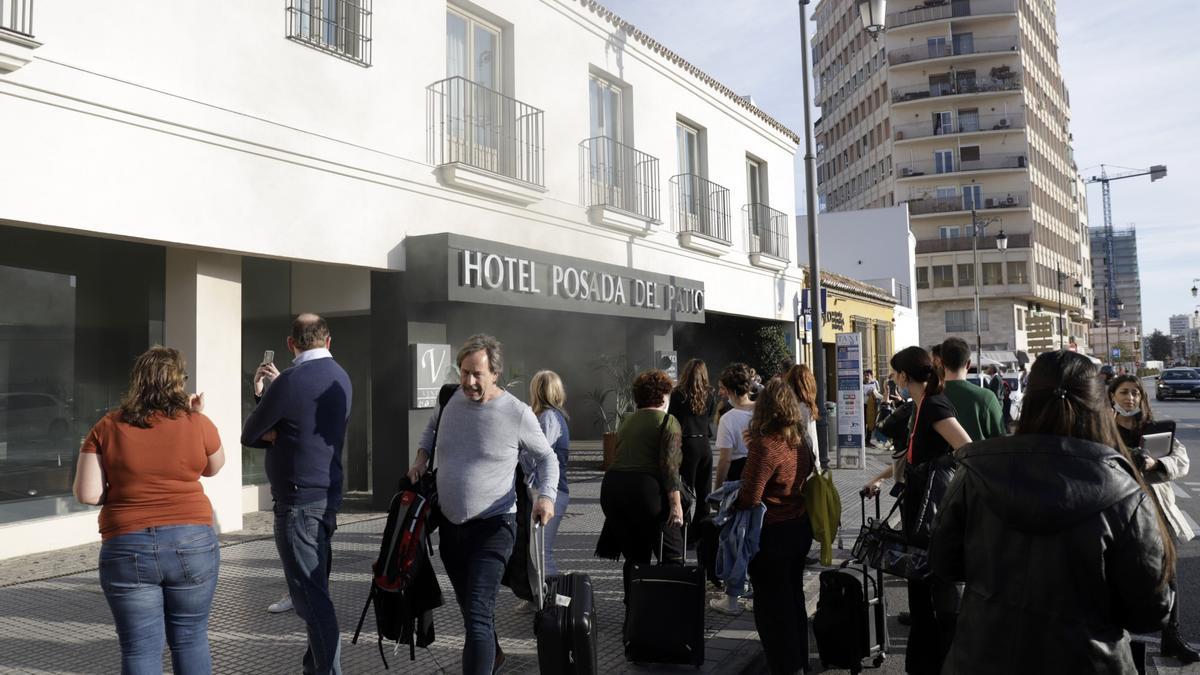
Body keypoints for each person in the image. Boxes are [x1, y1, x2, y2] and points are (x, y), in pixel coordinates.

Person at [930, 351, 1174, 674]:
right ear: (1098, 405)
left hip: (982, 655)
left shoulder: (976, 471)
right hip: (1089, 660)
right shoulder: (1124, 490)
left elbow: (944, 563)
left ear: (1029, 401)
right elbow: (1150, 611)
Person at [405, 335, 557, 675]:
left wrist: (546, 496)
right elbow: (430, 432)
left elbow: (547, 458)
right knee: (471, 609)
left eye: (477, 374)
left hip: (494, 527)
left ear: (495, 373)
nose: (469, 381)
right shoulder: (448, 399)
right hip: (450, 527)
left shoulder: (516, 413)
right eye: (464, 372)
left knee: (475, 613)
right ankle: (495, 654)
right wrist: (420, 458)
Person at [73, 346, 226, 674]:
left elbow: (88, 494)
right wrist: (194, 415)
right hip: (192, 542)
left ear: (137, 381)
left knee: (140, 648)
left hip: (127, 545)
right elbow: (214, 467)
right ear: (178, 383)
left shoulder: (107, 426)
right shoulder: (197, 422)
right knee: (190, 638)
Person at [241, 313, 352, 675]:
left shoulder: (289, 381)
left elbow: (250, 434)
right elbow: (308, 428)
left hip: (297, 503)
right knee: (316, 591)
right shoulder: (342, 377)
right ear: (328, 341)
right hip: (327, 497)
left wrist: (266, 399)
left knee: (312, 601)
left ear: (291, 344)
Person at [863, 346, 971, 675]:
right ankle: (926, 663)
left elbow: (967, 448)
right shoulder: (920, 405)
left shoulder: (935, 404)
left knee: (934, 598)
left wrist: (944, 475)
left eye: (895, 373)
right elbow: (910, 457)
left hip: (933, 517)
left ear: (904, 376)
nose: (893, 378)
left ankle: (940, 663)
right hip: (920, 514)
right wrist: (885, 477)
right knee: (922, 598)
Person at [1109, 374, 1198, 664]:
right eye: (1124, 392)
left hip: (1156, 512)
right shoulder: (1102, 430)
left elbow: (1181, 461)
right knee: (1117, 576)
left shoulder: (1153, 429)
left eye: (1136, 393)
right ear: (1112, 397)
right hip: (1117, 512)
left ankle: (1172, 637)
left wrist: (1156, 463)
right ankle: (1118, 642)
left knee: (1168, 575)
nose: (1130, 398)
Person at [737, 379, 814, 675]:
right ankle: (799, 661)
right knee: (793, 599)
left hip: (772, 534)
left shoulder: (765, 445)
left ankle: (783, 665)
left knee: (770, 608)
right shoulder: (800, 441)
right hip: (798, 527)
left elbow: (750, 496)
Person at [595, 369, 684, 605]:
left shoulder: (626, 420)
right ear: (664, 395)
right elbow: (670, 467)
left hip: (613, 489)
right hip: (646, 490)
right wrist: (676, 505)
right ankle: (668, 611)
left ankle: (635, 612)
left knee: (636, 557)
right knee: (672, 555)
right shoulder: (668, 421)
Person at [710, 363, 756, 614]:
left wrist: (718, 490)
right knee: (756, 537)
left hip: (738, 478)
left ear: (728, 390)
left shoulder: (729, 419)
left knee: (732, 539)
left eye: (721, 388)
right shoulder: (762, 411)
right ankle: (755, 594)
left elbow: (725, 460)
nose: (719, 393)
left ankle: (732, 598)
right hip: (763, 476)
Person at [529, 369, 571, 577]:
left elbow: (538, 455)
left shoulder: (548, 418)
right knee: (537, 552)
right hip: (551, 491)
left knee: (541, 554)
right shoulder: (553, 416)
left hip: (550, 492)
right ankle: (542, 601)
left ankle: (553, 602)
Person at [668, 358, 717, 530]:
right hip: (704, 443)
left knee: (685, 491)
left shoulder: (677, 394)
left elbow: (671, 418)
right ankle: (700, 531)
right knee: (705, 492)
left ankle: (685, 530)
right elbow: (710, 415)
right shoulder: (710, 393)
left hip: (686, 444)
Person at [939, 337, 1005, 442]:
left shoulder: (927, 398)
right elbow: (1001, 442)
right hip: (978, 457)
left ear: (941, 364)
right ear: (969, 364)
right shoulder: (987, 397)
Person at [783, 364, 822, 472]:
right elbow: (811, 438)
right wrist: (817, 465)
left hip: (787, 459)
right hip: (802, 460)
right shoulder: (805, 407)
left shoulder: (786, 405)